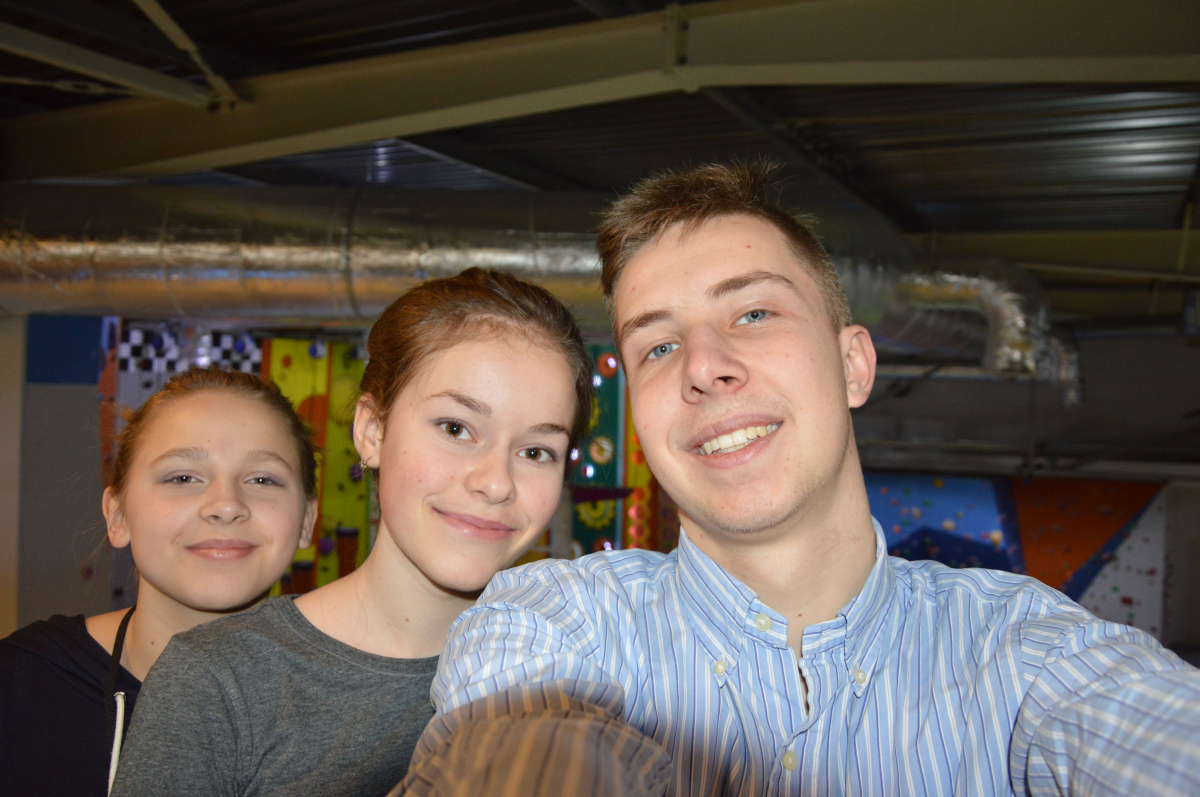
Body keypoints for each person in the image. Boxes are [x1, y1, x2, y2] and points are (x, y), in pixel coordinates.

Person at [398, 163, 1200, 797]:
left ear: (854, 363)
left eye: (753, 313)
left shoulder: (1025, 648)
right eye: (658, 346)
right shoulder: (554, 622)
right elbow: (522, 757)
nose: (704, 366)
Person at [111, 268, 593, 797]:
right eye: (455, 428)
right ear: (372, 431)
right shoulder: (218, 682)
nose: (496, 482)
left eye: (536, 452)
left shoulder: (584, 671)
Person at [0, 367, 318, 797]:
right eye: (182, 477)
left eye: (262, 479)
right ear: (118, 516)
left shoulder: (358, 705)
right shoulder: (21, 684)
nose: (226, 505)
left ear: (307, 520)